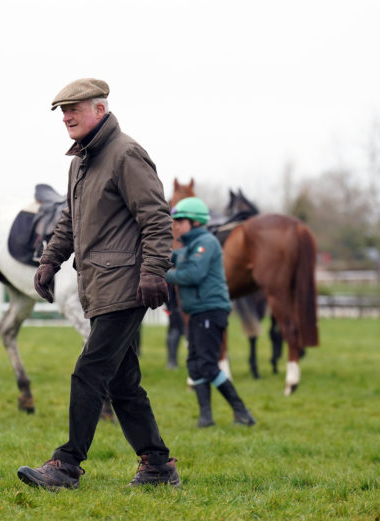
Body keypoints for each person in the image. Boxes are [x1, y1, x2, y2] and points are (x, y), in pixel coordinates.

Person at [17, 78, 179, 490]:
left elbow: (157, 218)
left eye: (75, 108)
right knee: (123, 383)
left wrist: (153, 271)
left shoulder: (125, 154)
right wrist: (49, 260)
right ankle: (158, 466)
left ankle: (66, 464)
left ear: (99, 111)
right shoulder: (81, 162)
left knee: (88, 372)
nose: (67, 116)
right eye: (63, 111)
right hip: (99, 286)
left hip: (126, 285)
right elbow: (70, 220)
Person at [164, 197, 255, 428]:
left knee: (207, 364)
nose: (175, 225)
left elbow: (192, 274)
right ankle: (206, 418)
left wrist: (161, 275)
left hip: (210, 312)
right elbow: (177, 258)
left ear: (194, 222)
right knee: (195, 364)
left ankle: (242, 412)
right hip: (197, 313)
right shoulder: (191, 246)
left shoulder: (206, 243)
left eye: (179, 221)